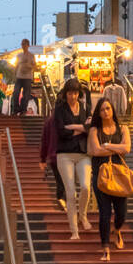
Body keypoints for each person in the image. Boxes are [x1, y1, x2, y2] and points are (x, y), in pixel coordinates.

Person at [88, 97, 132, 261]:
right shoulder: (94, 130)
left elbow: (127, 148)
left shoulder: (123, 128)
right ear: (98, 113)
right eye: (102, 110)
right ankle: (105, 248)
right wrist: (116, 148)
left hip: (120, 175)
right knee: (104, 213)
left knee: (121, 212)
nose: (105, 112)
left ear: (112, 109)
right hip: (100, 175)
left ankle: (118, 229)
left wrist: (107, 146)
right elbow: (95, 151)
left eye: (107, 108)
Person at [53, 78, 92, 239]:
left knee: (85, 187)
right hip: (64, 154)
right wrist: (81, 128)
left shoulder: (85, 108)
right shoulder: (60, 110)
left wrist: (75, 127)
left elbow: (90, 128)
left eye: (75, 93)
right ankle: (74, 230)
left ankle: (82, 215)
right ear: (65, 93)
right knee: (70, 192)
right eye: (70, 93)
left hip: (83, 153)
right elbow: (61, 132)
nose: (73, 96)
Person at [39, 106, 68, 210]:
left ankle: (62, 200)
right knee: (65, 180)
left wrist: (43, 159)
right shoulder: (66, 119)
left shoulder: (49, 121)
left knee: (60, 180)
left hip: (53, 157)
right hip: (65, 154)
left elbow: (44, 141)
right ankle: (63, 200)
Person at [13, 39, 35, 115]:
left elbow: (34, 65)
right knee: (15, 93)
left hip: (27, 77)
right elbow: (16, 65)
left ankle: (23, 109)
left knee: (26, 95)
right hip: (19, 76)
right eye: (22, 44)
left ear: (28, 45)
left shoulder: (31, 55)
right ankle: (16, 109)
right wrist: (14, 74)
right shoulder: (19, 55)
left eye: (25, 44)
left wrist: (28, 65)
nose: (23, 46)